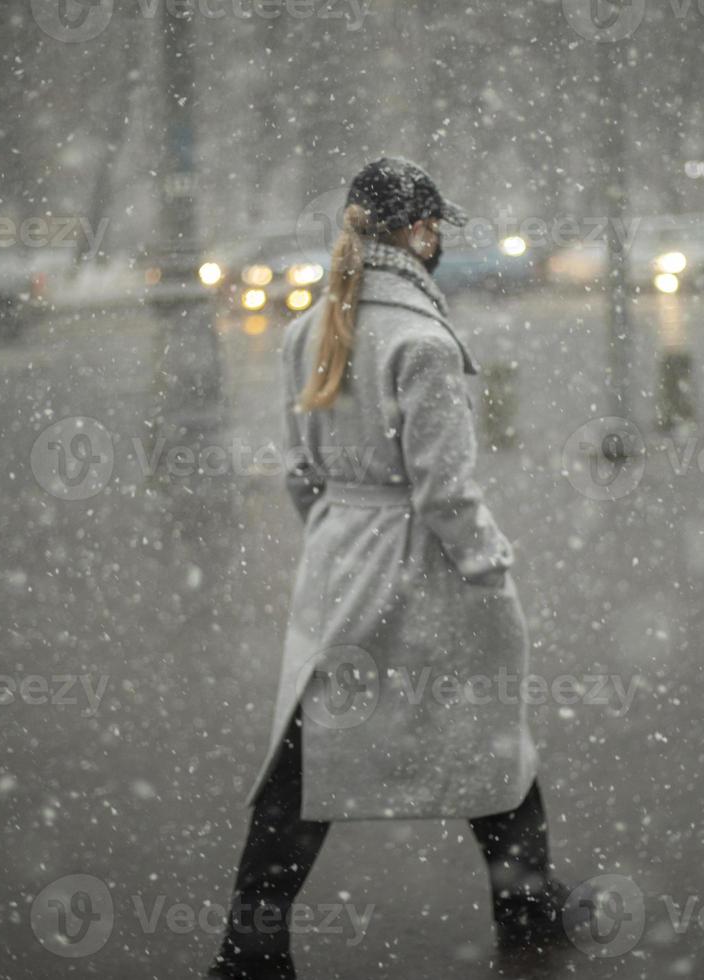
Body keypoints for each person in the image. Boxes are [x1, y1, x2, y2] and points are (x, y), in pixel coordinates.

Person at [211, 158, 575, 980]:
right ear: (417, 234)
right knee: (489, 735)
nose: (439, 239)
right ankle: (526, 909)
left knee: (307, 759)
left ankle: (252, 945)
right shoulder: (424, 340)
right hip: (423, 567)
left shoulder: (310, 329)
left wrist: (341, 535)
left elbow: (301, 473)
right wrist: (490, 568)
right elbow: (445, 492)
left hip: (341, 558)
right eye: (435, 226)